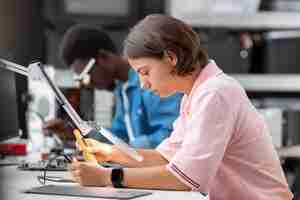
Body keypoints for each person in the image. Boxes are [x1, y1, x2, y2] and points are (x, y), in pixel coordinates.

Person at [69, 15, 293, 199]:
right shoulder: (194, 95)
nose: (144, 85)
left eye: (145, 72)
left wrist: (109, 177)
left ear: (170, 58)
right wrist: (113, 153)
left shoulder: (215, 93)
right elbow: (167, 157)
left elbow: (186, 178)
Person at [44, 24, 182, 148]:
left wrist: (127, 149)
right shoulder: (123, 89)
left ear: (103, 57)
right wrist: (75, 132)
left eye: (87, 75)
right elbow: (118, 135)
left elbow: (173, 136)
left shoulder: (151, 82)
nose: (88, 83)